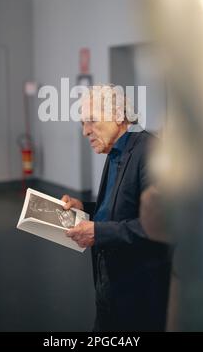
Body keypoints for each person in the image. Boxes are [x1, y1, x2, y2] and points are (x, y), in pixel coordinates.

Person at [62, 84, 171, 332]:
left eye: (91, 121)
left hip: (139, 294)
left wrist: (99, 233)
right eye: (82, 123)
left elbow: (160, 226)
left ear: (119, 115)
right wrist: (86, 208)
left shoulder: (150, 150)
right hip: (109, 287)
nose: (85, 131)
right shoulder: (115, 151)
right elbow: (118, 209)